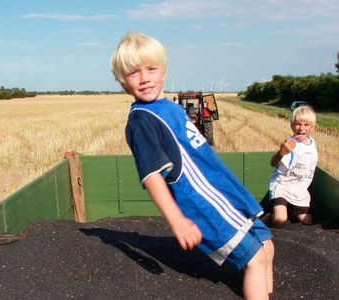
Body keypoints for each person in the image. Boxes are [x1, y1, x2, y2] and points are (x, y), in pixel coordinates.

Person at [110, 31, 274, 300]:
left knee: (266, 245)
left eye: (151, 68)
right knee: (255, 259)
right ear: (122, 82)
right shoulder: (143, 121)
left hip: (226, 194)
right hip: (204, 203)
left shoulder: (171, 108)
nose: (144, 78)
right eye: (133, 73)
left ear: (164, 71)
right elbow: (152, 175)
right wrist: (177, 219)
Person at [264, 106, 318, 225]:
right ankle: (268, 217)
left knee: (308, 222)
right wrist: (282, 152)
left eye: (306, 124)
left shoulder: (312, 143)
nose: (301, 128)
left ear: (312, 127)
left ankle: (291, 211)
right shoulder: (290, 144)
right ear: (292, 125)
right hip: (282, 186)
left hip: (300, 190)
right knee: (280, 220)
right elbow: (273, 163)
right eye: (298, 124)